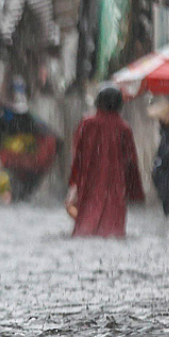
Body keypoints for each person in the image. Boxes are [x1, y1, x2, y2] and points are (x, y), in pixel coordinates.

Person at [66, 86, 145, 237]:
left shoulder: (87, 124)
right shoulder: (124, 128)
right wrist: (135, 191)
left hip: (90, 180)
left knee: (87, 224)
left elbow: (77, 155)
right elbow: (131, 162)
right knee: (112, 227)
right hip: (115, 183)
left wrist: (74, 181)